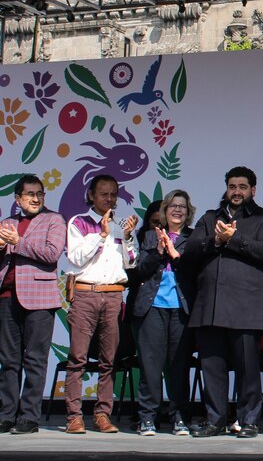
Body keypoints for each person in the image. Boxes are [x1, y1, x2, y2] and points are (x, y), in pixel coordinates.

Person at [185, 166, 263, 438]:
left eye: (242, 187)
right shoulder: (209, 217)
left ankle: (248, 421)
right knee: (211, 368)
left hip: (245, 308)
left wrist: (233, 238)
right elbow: (191, 250)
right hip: (209, 307)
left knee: (247, 370)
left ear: (253, 190)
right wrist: (216, 239)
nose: (237, 192)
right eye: (232, 187)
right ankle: (215, 420)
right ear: (226, 188)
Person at [63, 174, 138, 434]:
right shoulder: (79, 222)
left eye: (113, 194)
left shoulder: (120, 225)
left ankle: (103, 414)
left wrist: (127, 237)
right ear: (92, 195)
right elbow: (76, 256)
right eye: (103, 193)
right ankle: (74, 416)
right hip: (86, 293)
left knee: (109, 360)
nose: (109, 198)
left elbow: (131, 263)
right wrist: (101, 235)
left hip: (114, 295)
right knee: (78, 359)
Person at [0, 175, 66, 434]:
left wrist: (17, 243)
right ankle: (6, 413)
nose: (36, 198)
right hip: (7, 297)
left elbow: (51, 254)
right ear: (18, 198)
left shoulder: (54, 220)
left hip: (39, 298)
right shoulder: (7, 223)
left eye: (39, 193)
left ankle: (29, 417)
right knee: (8, 360)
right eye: (29, 194)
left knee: (35, 360)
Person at [130, 191, 196, 436]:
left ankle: (180, 418)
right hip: (152, 308)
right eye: (172, 206)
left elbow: (194, 272)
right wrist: (158, 251)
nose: (177, 210)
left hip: (181, 309)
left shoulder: (194, 237)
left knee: (178, 366)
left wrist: (174, 254)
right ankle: (147, 418)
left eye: (182, 206)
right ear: (164, 211)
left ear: (188, 212)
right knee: (150, 365)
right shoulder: (149, 236)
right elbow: (140, 272)